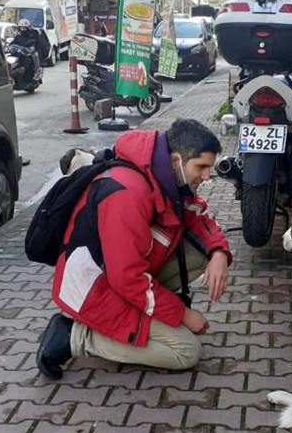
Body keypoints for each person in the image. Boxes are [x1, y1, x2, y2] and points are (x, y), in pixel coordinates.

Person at [37, 119, 232, 379]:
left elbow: (199, 216)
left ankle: (148, 311)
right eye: (202, 167)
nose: (207, 176)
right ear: (176, 160)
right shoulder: (127, 193)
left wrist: (218, 252)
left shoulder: (164, 175)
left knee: (199, 252)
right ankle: (74, 336)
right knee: (186, 352)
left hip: (120, 278)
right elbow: (127, 278)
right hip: (93, 290)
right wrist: (182, 313)